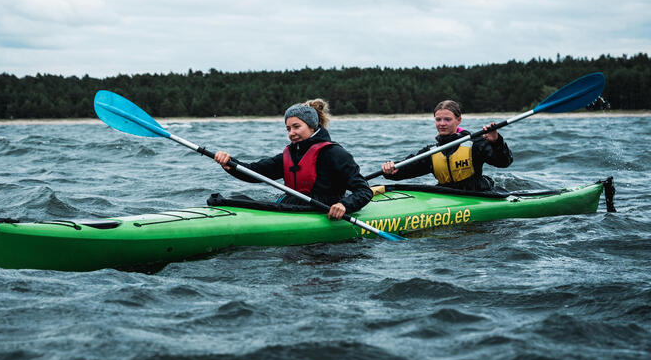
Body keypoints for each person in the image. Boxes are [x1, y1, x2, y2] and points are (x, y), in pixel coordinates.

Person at [213, 99, 372, 219]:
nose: (291, 133)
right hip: (293, 206)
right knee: (236, 200)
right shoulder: (289, 155)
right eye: (288, 129)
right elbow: (255, 172)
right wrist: (230, 163)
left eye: (296, 127)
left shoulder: (335, 153)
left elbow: (364, 191)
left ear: (312, 126)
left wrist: (344, 205)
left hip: (323, 209)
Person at [380, 100, 512, 191]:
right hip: (446, 194)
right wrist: (391, 169)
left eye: (447, 119)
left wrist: (496, 141)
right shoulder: (431, 152)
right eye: (438, 119)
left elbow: (504, 162)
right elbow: (406, 169)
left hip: (476, 193)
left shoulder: (475, 144)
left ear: (458, 120)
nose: (442, 123)